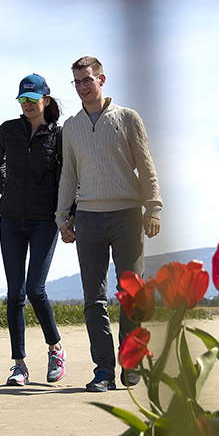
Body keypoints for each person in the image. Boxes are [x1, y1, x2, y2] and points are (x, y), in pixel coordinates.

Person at [55, 55, 162, 392]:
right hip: (87, 218)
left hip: (127, 215)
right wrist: (62, 217)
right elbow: (68, 175)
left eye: (88, 79)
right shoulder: (70, 127)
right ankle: (103, 371)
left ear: (102, 79)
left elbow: (145, 165)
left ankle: (131, 366)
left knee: (132, 295)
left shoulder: (127, 118)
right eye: (77, 82)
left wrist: (153, 207)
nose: (83, 87)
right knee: (93, 299)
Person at [0, 73, 67, 386]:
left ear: (46, 100)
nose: (27, 105)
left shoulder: (59, 135)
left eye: (33, 100)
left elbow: (66, 176)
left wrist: (66, 214)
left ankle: (55, 348)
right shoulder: (8, 130)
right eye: (23, 100)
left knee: (35, 288)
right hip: (10, 220)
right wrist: (6, 190)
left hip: (44, 220)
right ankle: (19, 364)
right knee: (14, 293)